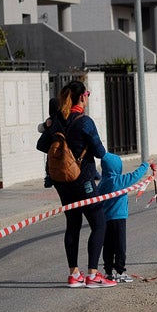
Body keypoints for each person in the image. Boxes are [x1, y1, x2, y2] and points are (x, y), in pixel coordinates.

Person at [36, 80, 115, 288]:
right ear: (82, 97)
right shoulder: (85, 121)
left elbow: (41, 145)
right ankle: (93, 274)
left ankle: (74, 274)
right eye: (87, 93)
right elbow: (100, 152)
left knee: (73, 224)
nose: (87, 97)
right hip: (83, 179)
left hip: (61, 181)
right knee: (99, 222)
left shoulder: (57, 120)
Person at [98, 153, 153, 283]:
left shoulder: (103, 182)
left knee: (108, 246)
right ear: (117, 167)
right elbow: (135, 176)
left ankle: (108, 272)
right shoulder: (118, 181)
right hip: (118, 218)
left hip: (105, 219)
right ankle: (120, 271)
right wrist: (146, 165)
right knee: (120, 246)